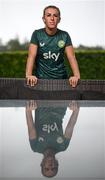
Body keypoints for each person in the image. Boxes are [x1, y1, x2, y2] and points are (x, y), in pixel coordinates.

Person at [26, 5, 80, 87]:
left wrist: (76, 76)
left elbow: (72, 57)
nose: (52, 18)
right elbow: (31, 56)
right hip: (40, 81)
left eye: (55, 15)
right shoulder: (37, 34)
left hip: (61, 81)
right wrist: (29, 75)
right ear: (44, 19)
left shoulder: (65, 35)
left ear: (59, 19)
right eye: (48, 15)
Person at [26, 100, 79, 178]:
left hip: (41, 104)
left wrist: (28, 110)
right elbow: (70, 127)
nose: (50, 166)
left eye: (47, 168)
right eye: (53, 168)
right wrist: (76, 111)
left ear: (42, 164)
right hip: (60, 105)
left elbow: (31, 128)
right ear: (57, 164)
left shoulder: (36, 147)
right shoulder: (63, 146)